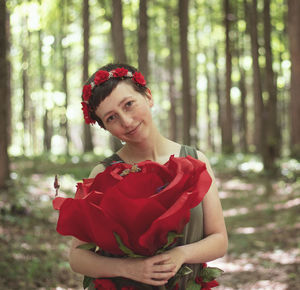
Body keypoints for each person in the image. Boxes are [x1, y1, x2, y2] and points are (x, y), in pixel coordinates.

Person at [69, 63, 228, 289]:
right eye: (111, 118)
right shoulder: (103, 173)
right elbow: (77, 257)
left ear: (148, 97)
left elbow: (219, 240)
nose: (126, 120)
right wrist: (129, 269)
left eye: (129, 104)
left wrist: (181, 255)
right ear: (105, 126)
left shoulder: (196, 160)